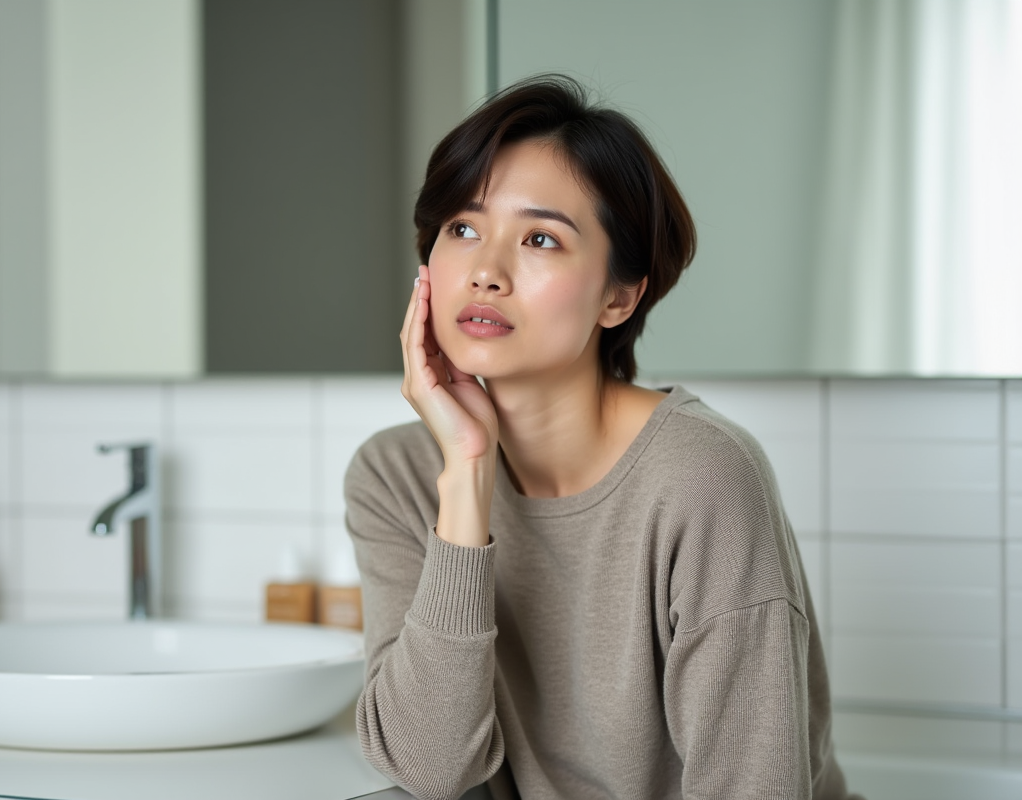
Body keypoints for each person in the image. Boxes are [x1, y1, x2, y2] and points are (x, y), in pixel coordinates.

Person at [344, 75, 858, 800]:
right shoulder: (395, 473)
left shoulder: (703, 475)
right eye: (463, 229)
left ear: (618, 296)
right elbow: (429, 772)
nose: (486, 272)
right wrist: (465, 476)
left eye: (540, 239)